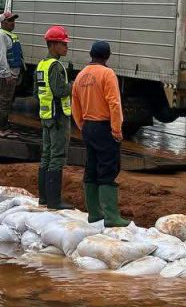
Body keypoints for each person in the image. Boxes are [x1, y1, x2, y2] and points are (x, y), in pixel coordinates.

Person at [71, 40, 128, 227]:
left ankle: (94, 213)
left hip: (88, 127)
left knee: (92, 167)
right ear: (108, 56)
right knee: (108, 168)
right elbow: (114, 103)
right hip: (104, 127)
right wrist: (117, 129)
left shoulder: (81, 76)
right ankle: (111, 216)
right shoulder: (107, 74)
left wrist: (82, 126)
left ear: (91, 54)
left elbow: (75, 105)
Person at [36, 26, 72, 209]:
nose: (66, 47)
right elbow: (59, 91)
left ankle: (43, 198)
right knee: (57, 157)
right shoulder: (56, 66)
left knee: (46, 156)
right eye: (63, 44)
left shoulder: (42, 64)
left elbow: (40, 92)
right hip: (58, 118)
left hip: (46, 116)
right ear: (53, 45)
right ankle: (54, 201)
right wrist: (72, 85)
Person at [0, 10, 23, 138]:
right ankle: (2, 129)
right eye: (10, 20)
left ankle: (5, 126)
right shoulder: (1, 36)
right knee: (4, 102)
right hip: (6, 76)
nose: (12, 23)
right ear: (3, 22)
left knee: (7, 102)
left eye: (13, 20)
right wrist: (7, 75)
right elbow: (1, 58)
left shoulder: (8, 35)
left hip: (11, 74)